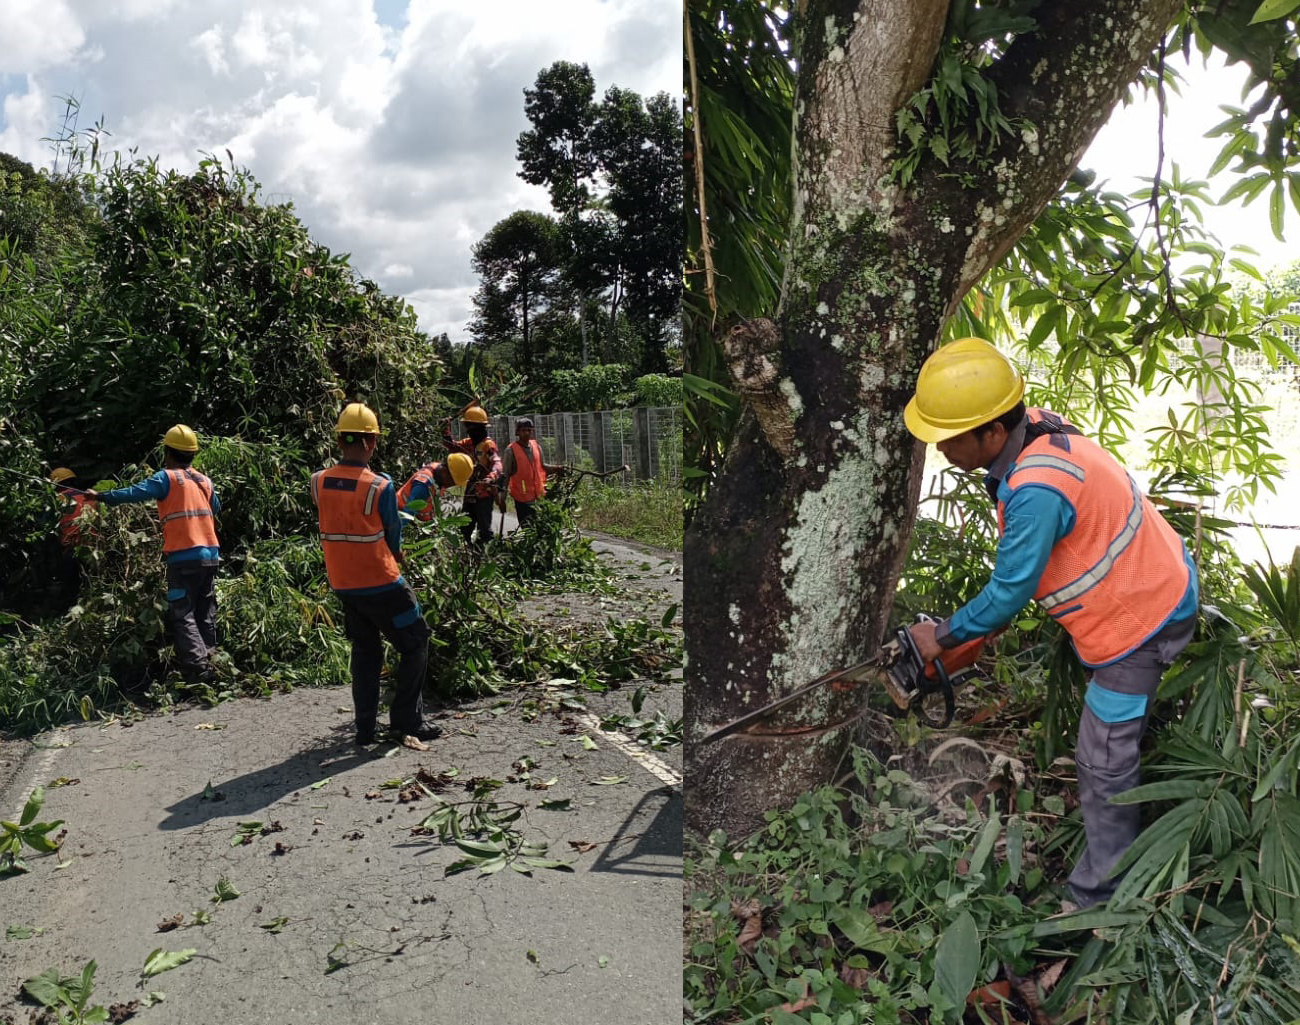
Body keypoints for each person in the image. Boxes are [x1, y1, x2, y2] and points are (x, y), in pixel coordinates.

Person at [902, 337, 1198, 910]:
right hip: (1158, 578)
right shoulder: (1036, 429)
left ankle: (1100, 902)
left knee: (1104, 758)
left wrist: (938, 637)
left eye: (951, 436)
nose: (941, 448)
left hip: (1140, 625)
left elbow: (1010, 589)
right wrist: (974, 630)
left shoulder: (1036, 488)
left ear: (992, 430)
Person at [312, 402, 440, 749]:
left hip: (344, 584)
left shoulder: (318, 482)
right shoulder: (379, 486)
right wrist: (397, 555)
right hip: (383, 584)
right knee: (416, 641)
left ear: (340, 441)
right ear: (371, 442)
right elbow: (392, 534)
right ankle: (405, 722)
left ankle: (365, 728)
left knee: (366, 653)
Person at [84, 426, 222, 685]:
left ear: (167, 452)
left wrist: (101, 496)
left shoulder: (166, 478)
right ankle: (213, 660)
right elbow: (216, 507)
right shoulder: (204, 481)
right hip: (211, 556)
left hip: (183, 557)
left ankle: (200, 670)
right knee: (205, 610)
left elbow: (134, 493)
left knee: (184, 613)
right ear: (193, 454)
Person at [442, 402, 501, 549]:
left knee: (484, 531)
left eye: (470, 426)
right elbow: (452, 447)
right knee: (465, 529)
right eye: (467, 426)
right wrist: (445, 430)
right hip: (469, 494)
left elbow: (497, 463)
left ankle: (484, 557)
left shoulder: (488, 445)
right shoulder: (468, 444)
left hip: (483, 496)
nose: (468, 430)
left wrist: (491, 477)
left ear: (478, 427)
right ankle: (467, 558)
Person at [498, 418, 565, 528]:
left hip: (538, 497)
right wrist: (502, 498)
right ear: (518, 432)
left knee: (540, 530)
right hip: (522, 499)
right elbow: (505, 475)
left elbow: (543, 467)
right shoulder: (511, 451)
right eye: (524, 430)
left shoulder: (536, 446)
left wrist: (557, 469)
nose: (527, 433)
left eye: (529, 430)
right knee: (528, 529)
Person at [395, 452, 473, 522]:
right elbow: (406, 516)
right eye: (452, 482)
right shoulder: (424, 485)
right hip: (398, 515)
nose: (452, 486)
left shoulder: (438, 471)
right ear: (445, 472)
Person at [50, 467, 89, 606]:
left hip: (71, 548)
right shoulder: (90, 497)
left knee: (71, 590)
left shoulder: (57, 500)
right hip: (94, 547)